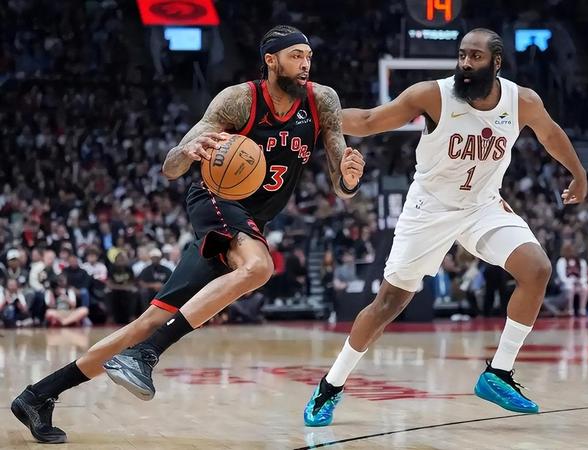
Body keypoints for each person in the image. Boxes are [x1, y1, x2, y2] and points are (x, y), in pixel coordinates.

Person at [11, 25, 365, 444]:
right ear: (270, 60)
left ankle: (39, 395)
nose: (305, 64)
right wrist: (187, 152)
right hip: (215, 200)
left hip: (248, 225)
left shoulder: (322, 101)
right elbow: (171, 166)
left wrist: (349, 179)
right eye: (295, 56)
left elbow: (341, 182)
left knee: (149, 320)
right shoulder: (239, 100)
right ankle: (146, 355)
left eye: (308, 56)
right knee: (259, 267)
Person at [303, 28, 588, 427]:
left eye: (475, 57)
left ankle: (498, 373)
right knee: (388, 304)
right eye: (462, 55)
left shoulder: (521, 101)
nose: (466, 64)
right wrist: (313, 118)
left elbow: (551, 134)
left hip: (483, 206)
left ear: (496, 63)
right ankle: (330, 386)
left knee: (537, 268)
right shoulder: (433, 95)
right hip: (430, 209)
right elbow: (368, 120)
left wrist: (578, 173)